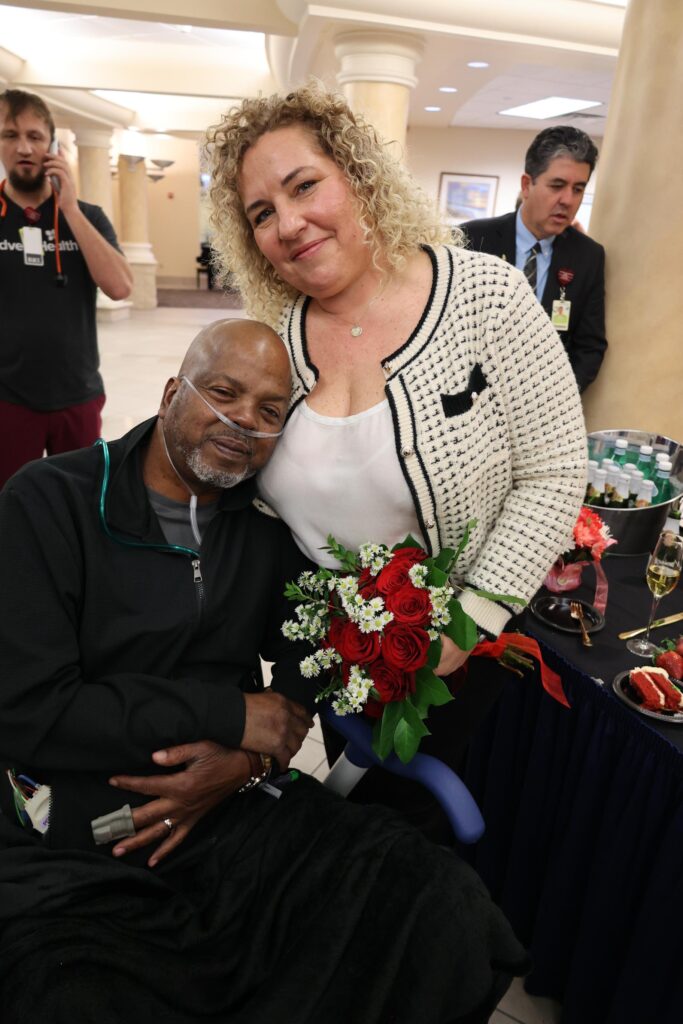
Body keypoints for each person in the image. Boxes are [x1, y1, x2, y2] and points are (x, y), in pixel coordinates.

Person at [0, 318, 530, 1023]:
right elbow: (31, 711)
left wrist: (244, 760)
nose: (242, 420)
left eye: (269, 410)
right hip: (76, 834)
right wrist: (230, 717)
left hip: (230, 814)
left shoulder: (263, 530)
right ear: (169, 394)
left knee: (443, 909)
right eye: (223, 391)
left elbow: (301, 665)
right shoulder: (49, 502)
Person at [206, 83, 587, 803]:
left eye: (303, 186)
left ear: (356, 177)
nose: (287, 224)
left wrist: (469, 618)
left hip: (463, 656)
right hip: (330, 654)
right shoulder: (276, 343)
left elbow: (555, 471)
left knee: (418, 826)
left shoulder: (486, 298)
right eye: (262, 213)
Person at [0, 89, 133, 488]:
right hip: (7, 398)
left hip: (78, 395)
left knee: (82, 503)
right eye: (10, 135)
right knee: (12, 503)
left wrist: (70, 209)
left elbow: (121, 286)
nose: (24, 147)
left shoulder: (87, 216)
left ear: (52, 145)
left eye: (35, 136)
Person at [461, 125, 606, 393]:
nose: (567, 200)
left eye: (578, 189)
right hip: (471, 402)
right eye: (557, 185)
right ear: (527, 185)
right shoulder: (473, 239)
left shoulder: (588, 256)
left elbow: (590, 346)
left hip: (544, 405)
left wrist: (554, 399)